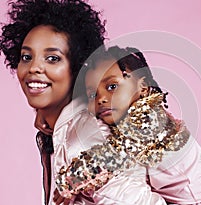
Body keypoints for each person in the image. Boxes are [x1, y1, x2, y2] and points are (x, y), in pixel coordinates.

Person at [0, 1, 166, 205]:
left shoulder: (85, 133)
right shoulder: (63, 127)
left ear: (78, 67)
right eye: (26, 57)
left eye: (52, 58)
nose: (34, 67)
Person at [56, 45, 201, 204]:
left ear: (142, 87)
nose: (101, 99)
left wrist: (69, 182)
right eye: (92, 95)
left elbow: (110, 158)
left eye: (112, 86)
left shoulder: (150, 120)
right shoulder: (129, 120)